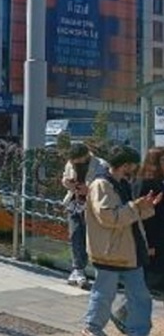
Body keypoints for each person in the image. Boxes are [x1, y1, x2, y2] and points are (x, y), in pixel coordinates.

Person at [82, 146, 160, 336]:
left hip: (128, 250)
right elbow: (108, 217)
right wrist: (136, 206)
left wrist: (146, 208)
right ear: (125, 164)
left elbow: (128, 214)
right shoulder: (102, 185)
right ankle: (92, 328)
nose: (135, 168)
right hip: (110, 251)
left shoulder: (121, 183)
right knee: (104, 294)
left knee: (140, 296)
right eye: (133, 164)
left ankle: (138, 331)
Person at [62, 143, 110, 287]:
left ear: (85, 156)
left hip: (92, 206)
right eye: (73, 162)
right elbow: (65, 178)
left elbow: (105, 187)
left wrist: (88, 190)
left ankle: (99, 272)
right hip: (74, 202)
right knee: (75, 235)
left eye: (78, 161)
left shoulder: (101, 165)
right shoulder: (70, 163)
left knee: (93, 239)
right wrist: (68, 184)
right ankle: (78, 269)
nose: (75, 164)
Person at [133, 147, 164, 292]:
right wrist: (149, 243)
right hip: (153, 238)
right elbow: (143, 217)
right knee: (148, 284)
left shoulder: (158, 181)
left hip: (158, 237)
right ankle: (123, 311)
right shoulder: (146, 183)